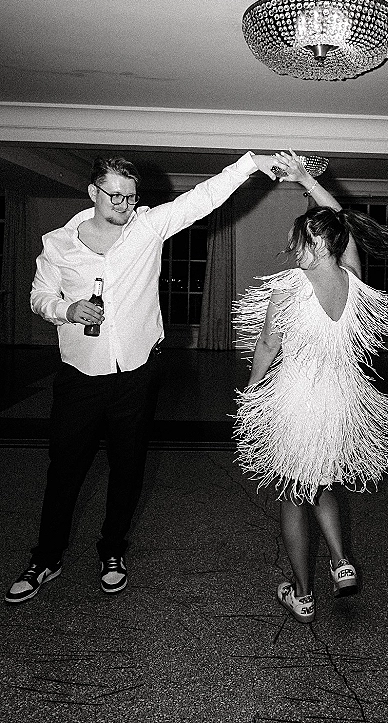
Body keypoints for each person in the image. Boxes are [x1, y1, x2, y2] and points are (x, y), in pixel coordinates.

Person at [5, 150, 286, 604]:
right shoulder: (58, 243)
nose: (124, 205)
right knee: (65, 471)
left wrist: (250, 163)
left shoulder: (147, 227)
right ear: (94, 193)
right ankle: (46, 558)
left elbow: (204, 198)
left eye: (131, 197)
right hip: (81, 375)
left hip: (137, 372)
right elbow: (38, 296)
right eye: (115, 196)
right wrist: (66, 309)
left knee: (128, 469)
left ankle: (112, 551)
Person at [233, 150, 388, 623]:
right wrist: (304, 181)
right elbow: (341, 223)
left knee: (294, 494)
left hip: (297, 403)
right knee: (322, 484)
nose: (294, 250)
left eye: (299, 242)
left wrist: (252, 396)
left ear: (314, 245)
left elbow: (268, 347)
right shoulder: (356, 282)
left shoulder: (289, 289)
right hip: (340, 402)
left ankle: (302, 593)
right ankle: (340, 558)